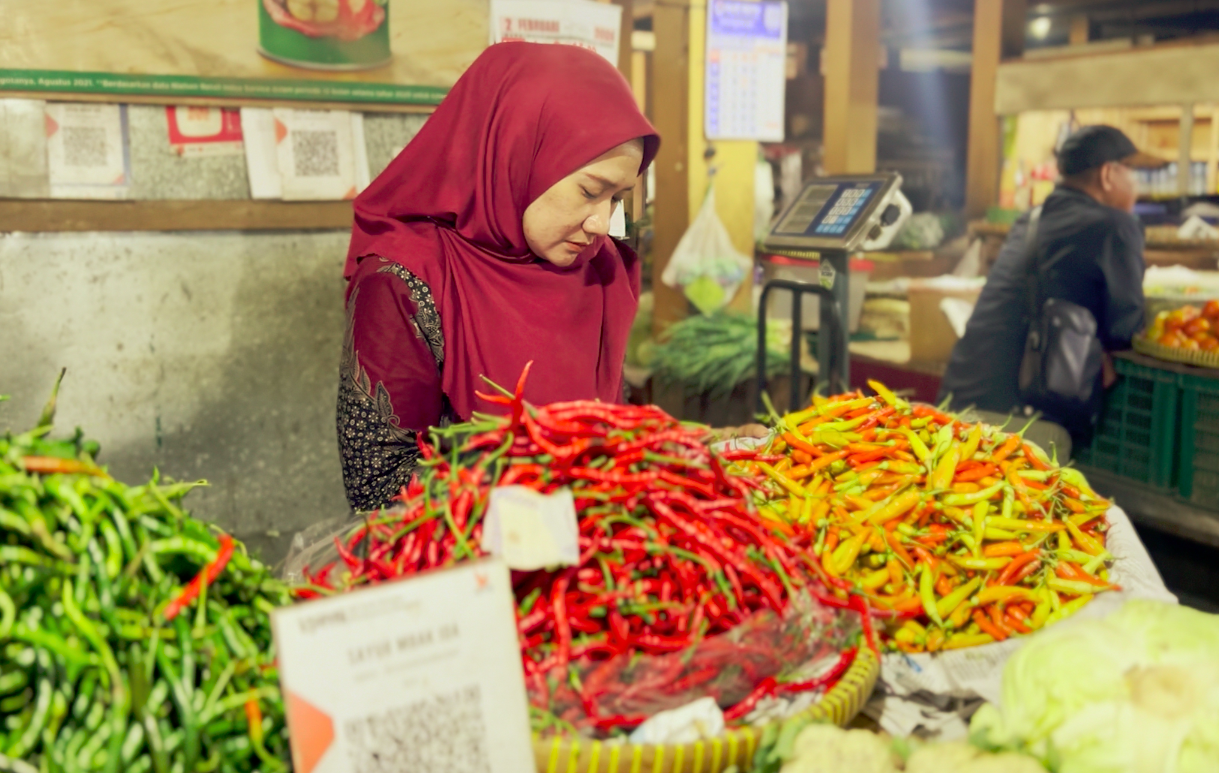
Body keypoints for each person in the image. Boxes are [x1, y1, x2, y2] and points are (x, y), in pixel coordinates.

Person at [335, 43, 660, 511]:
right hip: (464, 567)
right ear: (517, 154)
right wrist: (554, 486)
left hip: (591, 558)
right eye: (589, 191)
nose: (599, 223)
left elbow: (611, 426)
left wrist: (700, 448)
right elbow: (379, 484)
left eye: (616, 199)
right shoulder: (405, 281)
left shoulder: (599, 272)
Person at [939, 125, 1161, 447]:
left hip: (956, 404)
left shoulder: (1029, 220)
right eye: (1133, 171)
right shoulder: (1116, 225)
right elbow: (1124, 329)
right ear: (1108, 174)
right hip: (1014, 425)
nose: (1136, 183)